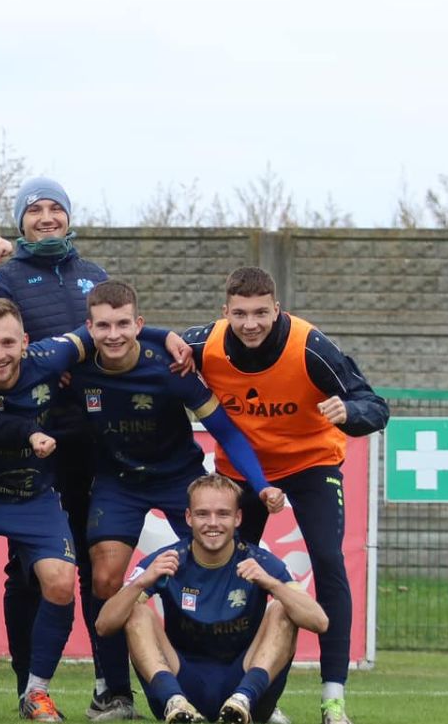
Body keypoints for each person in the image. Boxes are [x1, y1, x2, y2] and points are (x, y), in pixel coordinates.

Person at [0, 299, 190, 722]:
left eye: (7, 342)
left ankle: (36, 693)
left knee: (59, 583)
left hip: (34, 496)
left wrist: (163, 334)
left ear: (25, 343)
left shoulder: (52, 357)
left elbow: (105, 329)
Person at [182, 267, 390, 724]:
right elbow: (143, 352)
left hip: (311, 464)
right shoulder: (202, 344)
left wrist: (349, 410)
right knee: (230, 572)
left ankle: (333, 699)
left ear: (277, 309)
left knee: (329, 562)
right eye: (240, 314)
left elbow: (376, 407)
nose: (251, 324)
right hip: (241, 473)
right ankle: (249, 696)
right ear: (225, 313)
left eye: (261, 312)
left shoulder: (311, 346)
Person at [73, 281, 283, 722]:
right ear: (89, 328)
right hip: (119, 482)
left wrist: (260, 483)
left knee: (239, 568)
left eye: (124, 324)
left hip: (180, 479)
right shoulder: (74, 366)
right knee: (107, 578)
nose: (114, 334)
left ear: (139, 324)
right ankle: (113, 693)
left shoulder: (173, 369)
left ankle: (258, 693)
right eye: (104, 326)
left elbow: (225, 431)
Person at [0, 177, 117, 719]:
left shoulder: (94, 276)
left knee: (95, 564)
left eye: (55, 209)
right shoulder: (6, 276)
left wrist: (163, 337)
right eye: (35, 210)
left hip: (89, 441)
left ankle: (109, 688)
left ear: (68, 217)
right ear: (21, 220)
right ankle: (29, 686)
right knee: (26, 571)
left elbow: (114, 336)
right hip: (26, 442)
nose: (46, 218)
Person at [94, 474, 329, 724]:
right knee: (136, 611)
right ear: (188, 518)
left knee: (284, 607)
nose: (213, 523)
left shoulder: (260, 562)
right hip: (182, 685)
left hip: (246, 687)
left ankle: (242, 701)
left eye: (223, 514)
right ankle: (175, 702)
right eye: (203, 514)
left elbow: (319, 622)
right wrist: (142, 582)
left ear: (237, 518)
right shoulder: (165, 561)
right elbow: (104, 625)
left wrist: (272, 584)